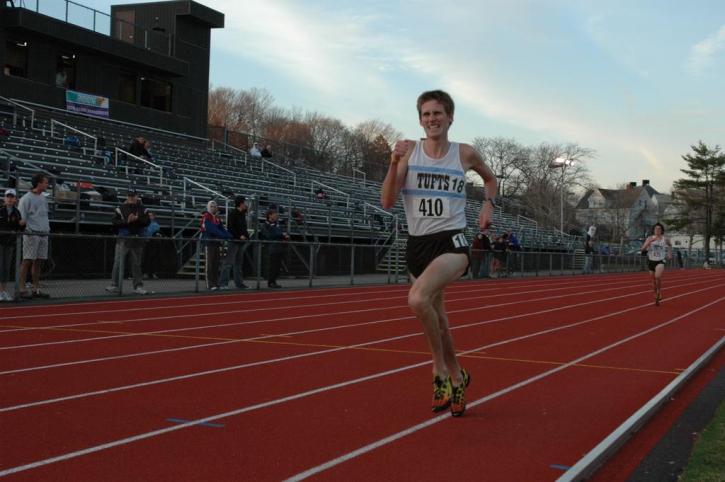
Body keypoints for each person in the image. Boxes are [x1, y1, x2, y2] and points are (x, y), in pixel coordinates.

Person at [380, 89, 497, 417]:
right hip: (418, 244)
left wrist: (488, 205)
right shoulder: (408, 152)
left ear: (450, 118)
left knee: (418, 300)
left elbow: (490, 179)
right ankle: (458, 374)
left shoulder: (465, 153)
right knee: (439, 318)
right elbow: (387, 201)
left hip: (452, 241)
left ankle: (438, 371)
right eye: (426, 114)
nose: (432, 119)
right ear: (420, 119)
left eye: (438, 113)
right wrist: (392, 162)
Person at [107, 189, 151, 295]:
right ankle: (114, 285)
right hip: (123, 239)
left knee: (136, 264)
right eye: (129, 196)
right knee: (118, 262)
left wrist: (137, 219)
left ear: (137, 196)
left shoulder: (143, 209)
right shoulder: (120, 209)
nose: (131, 198)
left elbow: (147, 222)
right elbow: (114, 222)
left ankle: (138, 286)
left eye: (133, 196)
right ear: (127, 196)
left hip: (137, 239)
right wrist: (127, 221)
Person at [17, 173, 51, 299]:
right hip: (32, 233)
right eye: (45, 182)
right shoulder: (26, 198)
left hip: (43, 232)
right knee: (27, 260)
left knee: (39, 261)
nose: (47, 184)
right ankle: (21, 288)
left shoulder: (43, 197)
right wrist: (28, 230)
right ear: (39, 183)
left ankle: (35, 288)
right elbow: (22, 217)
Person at [219, 196, 250, 290]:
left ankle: (239, 283)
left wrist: (246, 236)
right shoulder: (233, 214)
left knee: (238, 263)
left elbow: (244, 228)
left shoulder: (242, 214)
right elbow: (230, 228)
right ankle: (223, 283)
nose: (246, 204)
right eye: (245, 203)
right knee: (228, 263)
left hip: (240, 242)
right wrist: (239, 236)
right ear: (241, 203)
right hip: (234, 241)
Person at [201, 200, 232, 291]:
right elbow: (211, 229)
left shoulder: (217, 218)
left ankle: (215, 282)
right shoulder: (206, 217)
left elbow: (221, 229)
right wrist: (223, 235)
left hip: (216, 243)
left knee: (216, 264)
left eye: (215, 206)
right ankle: (210, 284)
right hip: (209, 243)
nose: (214, 208)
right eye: (211, 206)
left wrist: (229, 235)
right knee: (209, 264)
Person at [640, 222, 672, 306]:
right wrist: (649, 242)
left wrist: (669, 254)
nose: (657, 230)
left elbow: (670, 246)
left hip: (660, 260)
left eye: (659, 229)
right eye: (656, 229)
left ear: (662, 230)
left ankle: (659, 291)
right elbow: (642, 249)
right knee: (653, 280)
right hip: (651, 260)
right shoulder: (650, 238)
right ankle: (656, 294)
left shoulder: (665, 239)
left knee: (657, 276)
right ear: (653, 230)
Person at [0, 188, 21, 301]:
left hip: (9, 243)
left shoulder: (17, 212)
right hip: (0, 242)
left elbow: (20, 227)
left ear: (15, 199)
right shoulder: (0, 210)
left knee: (6, 268)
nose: (9, 198)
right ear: (4, 198)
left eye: (12, 197)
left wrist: (22, 225)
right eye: (8, 196)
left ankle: (3, 291)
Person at [259, 208, 289, 288]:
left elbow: (279, 233)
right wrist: (281, 235)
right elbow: (270, 236)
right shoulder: (265, 225)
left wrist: (283, 236)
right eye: (275, 215)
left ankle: (274, 281)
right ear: (269, 215)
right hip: (271, 248)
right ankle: (271, 282)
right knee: (273, 266)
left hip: (279, 247)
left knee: (277, 266)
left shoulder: (277, 224)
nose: (276, 216)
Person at [142, 211, 161, 280]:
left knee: (153, 258)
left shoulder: (156, 225)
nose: (149, 217)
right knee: (145, 258)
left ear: (153, 217)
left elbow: (154, 233)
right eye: (148, 216)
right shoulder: (145, 224)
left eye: (151, 216)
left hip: (153, 243)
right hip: (145, 242)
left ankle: (153, 273)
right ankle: (145, 273)